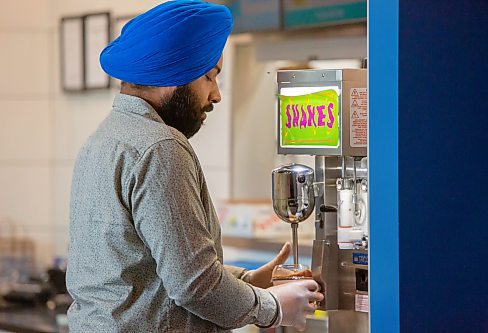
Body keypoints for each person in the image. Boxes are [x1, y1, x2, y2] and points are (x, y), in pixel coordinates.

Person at [66, 1, 323, 332]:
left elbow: (153, 269)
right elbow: (194, 285)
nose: (215, 95)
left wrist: (248, 280)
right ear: (174, 74)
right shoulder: (161, 147)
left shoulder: (103, 138)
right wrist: (273, 307)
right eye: (209, 76)